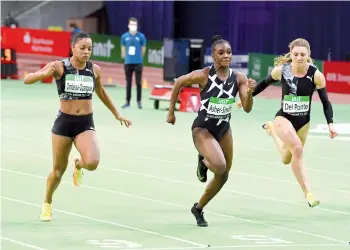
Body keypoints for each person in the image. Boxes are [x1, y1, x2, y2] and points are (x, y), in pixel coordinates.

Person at [24, 31, 132, 222]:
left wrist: (117, 113)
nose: (86, 52)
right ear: (72, 47)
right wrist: (45, 73)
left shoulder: (94, 70)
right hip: (64, 124)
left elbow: (102, 93)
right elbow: (28, 79)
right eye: (82, 48)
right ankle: (47, 203)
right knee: (57, 171)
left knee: (92, 162)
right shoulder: (59, 67)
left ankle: (79, 164)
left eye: (89, 48)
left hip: (85, 123)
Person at [166, 35, 256, 227]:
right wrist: (171, 111)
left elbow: (247, 108)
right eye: (221, 52)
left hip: (224, 129)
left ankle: (198, 208)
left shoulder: (239, 78)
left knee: (224, 175)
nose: (226, 56)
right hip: (202, 129)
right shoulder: (204, 75)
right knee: (219, 165)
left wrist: (248, 92)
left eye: (229, 52)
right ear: (213, 56)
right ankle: (203, 159)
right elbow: (178, 82)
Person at [237, 38, 337, 208]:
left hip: (303, 123)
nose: (299, 57)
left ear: (308, 55)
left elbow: (326, 102)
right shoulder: (282, 71)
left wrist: (330, 123)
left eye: (302, 55)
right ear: (291, 54)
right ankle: (308, 193)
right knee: (297, 148)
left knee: (286, 158)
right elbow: (263, 83)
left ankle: (272, 132)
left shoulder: (316, 75)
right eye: (296, 54)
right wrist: (248, 96)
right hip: (283, 119)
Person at [120, 17, 146, 109]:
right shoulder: (124, 36)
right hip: (128, 63)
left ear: (137, 26)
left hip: (138, 63)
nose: (133, 26)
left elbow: (143, 49)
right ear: (128, 25)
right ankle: (127, 101)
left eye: (135, 24)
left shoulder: (141, 36)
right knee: (128, 83)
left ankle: (139, 102)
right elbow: (122, 47)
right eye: (131, 24)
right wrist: (124, 57)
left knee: (139, 83)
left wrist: (139, 58)